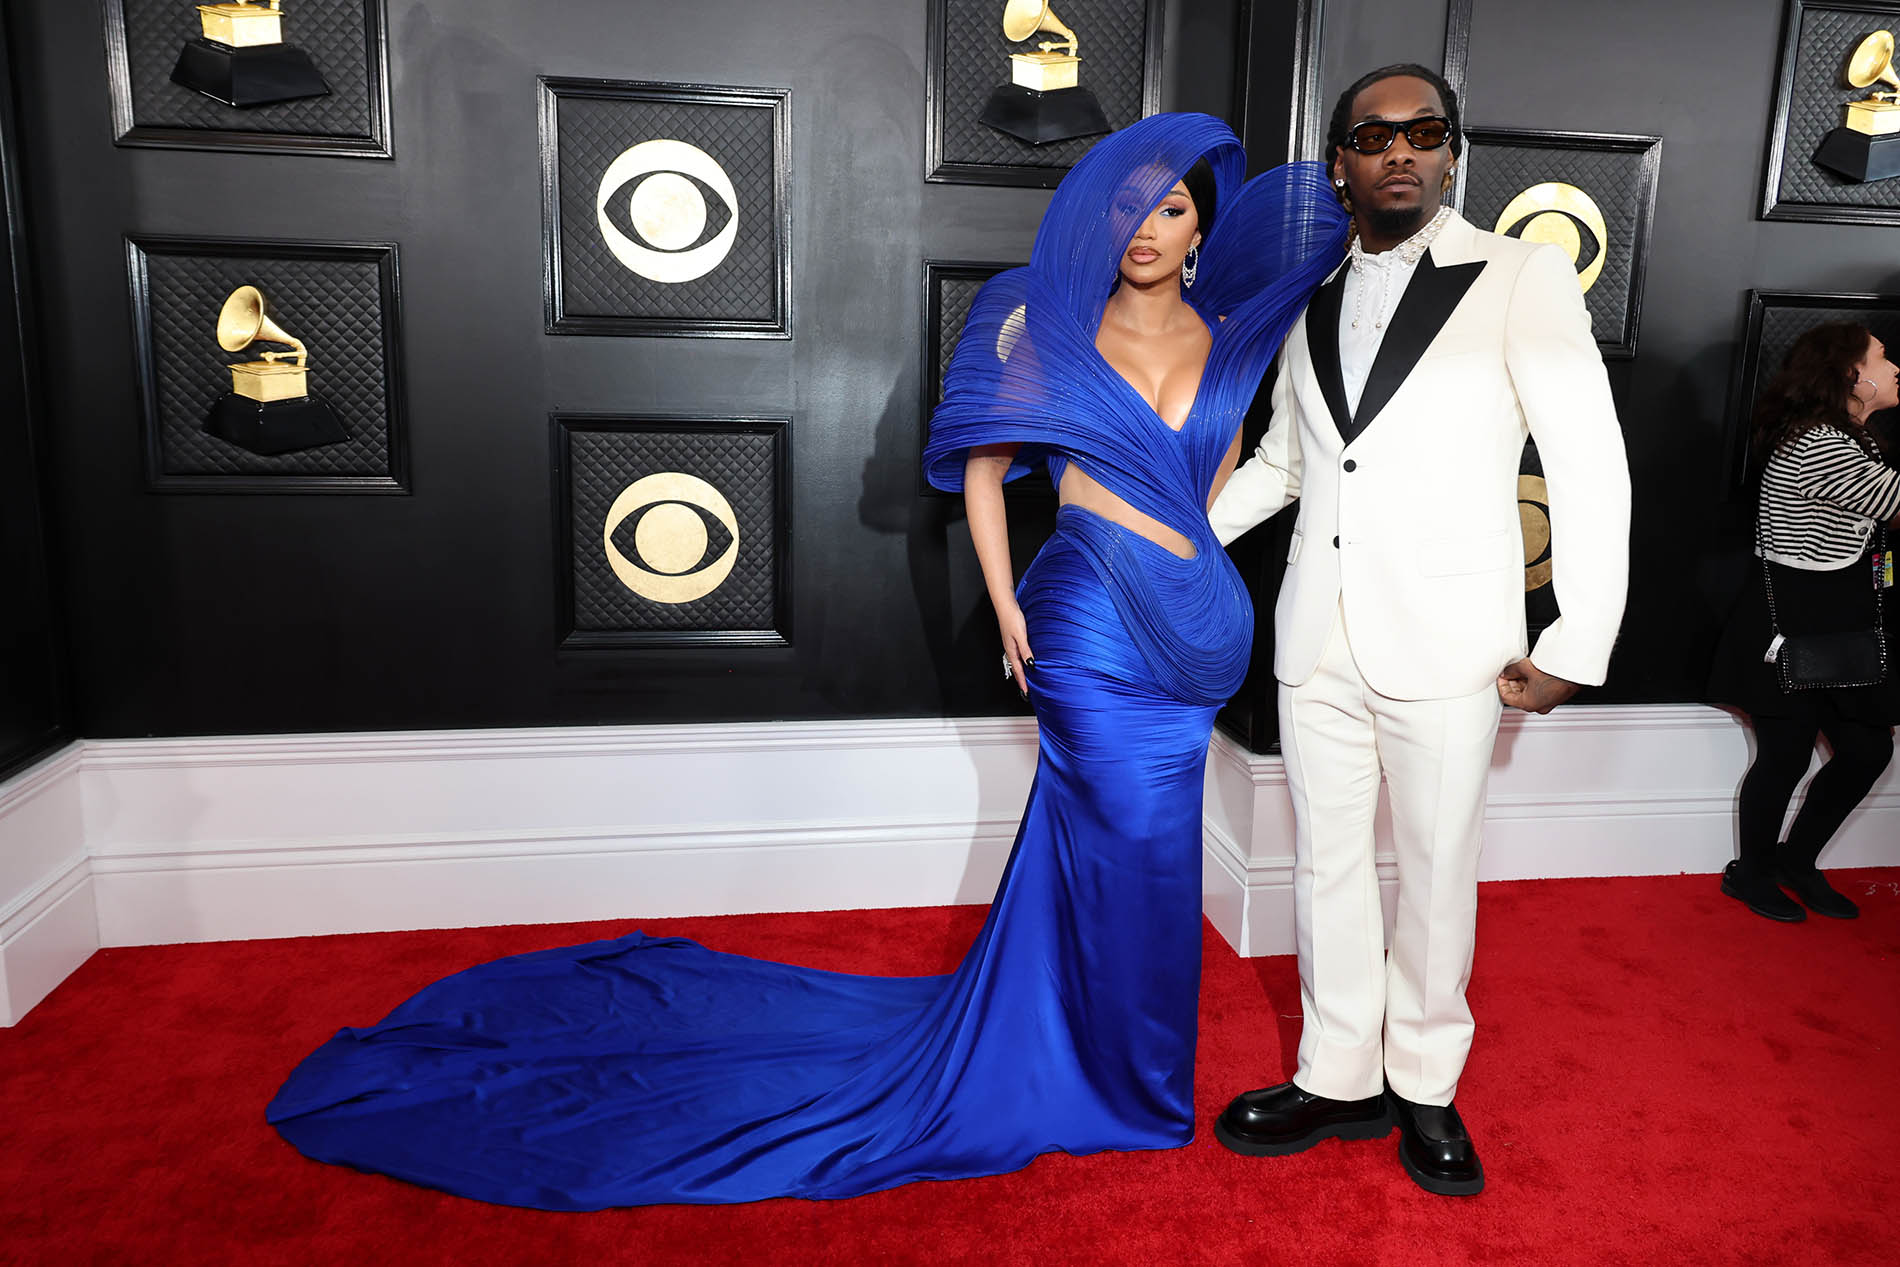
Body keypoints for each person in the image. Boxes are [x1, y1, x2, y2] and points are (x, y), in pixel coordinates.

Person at [265, 113, 1348, 1210]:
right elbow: (983, 470)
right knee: (1118, 835)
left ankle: (1120, 1065)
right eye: (1128, 207)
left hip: (1200, 624)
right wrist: (1011, 605)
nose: (1149, 227)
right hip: (1087, 621)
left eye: (1171, 208)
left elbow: (1215, 482)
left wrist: (1194, 560)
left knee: (1156, 854)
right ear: (1096, 220)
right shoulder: (1040, 321)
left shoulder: (1234, 338)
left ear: (1201, 227)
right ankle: (1117, 1079)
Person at [1204, 64, 1631, 1197]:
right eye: (1372, 135)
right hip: (1316, 639)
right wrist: (1173, 537)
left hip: (1451, 638)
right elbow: (1291, 463)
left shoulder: (1521, 277)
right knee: (1326, 863)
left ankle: (1426, 1083)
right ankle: (1336, 1071)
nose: (1399, 150)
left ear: (1451, 153)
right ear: (1339, 162)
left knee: (1438, 869)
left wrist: (1575, 639)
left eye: (1422, 132)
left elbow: (1586, 461)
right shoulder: (1311, 296)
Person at [1708, 322, 1900, 922]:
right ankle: (1753, 873)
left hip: (1838, 625)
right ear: (1853, 375)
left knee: (1868, 749)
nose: (1895, 367)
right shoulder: (1821, 442)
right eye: (1883, 357)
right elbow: (1895, 506)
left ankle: (1796, 861)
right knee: (1786, 757)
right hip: (1791, 625)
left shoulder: (1848, 437)